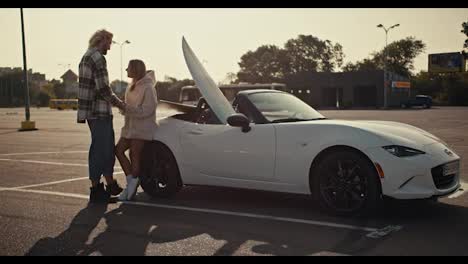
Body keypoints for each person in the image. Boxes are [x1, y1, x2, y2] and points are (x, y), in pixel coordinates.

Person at [77, 29, 126, 203]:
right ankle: (96, 190)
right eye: (109, 43)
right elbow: (103, 88)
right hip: (99, 112)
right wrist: (121, 104)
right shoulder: (98, 57)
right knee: (101, 150)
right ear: (102, 40)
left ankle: (109, 184)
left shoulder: (86, 56)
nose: (110, 47)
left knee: (101, 148)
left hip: (91, 112)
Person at [115, 59, 158, 201]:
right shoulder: (131, 85)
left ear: (136, 69)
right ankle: (131, 182)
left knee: (134, 154)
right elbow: (128, 107)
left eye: (129, 68)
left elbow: (148, 110)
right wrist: (123, 107)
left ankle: (131, 186)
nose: (126, 70)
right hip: (130, 127)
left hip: (143, 127)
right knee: (118, 150)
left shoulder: (148, 87)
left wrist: (125, 108)